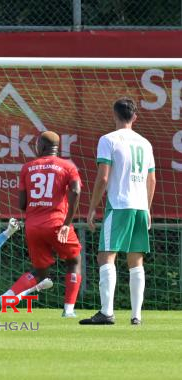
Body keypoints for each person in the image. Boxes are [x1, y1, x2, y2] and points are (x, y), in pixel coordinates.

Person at [80, 98, 156, 326]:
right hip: (141, 206)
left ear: (114, 115)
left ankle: (107, 312)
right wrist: (148, 208)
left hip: (119, 205)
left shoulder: (108, 140)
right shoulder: (145, 143)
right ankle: (136, 316)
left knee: (106, 255)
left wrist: (92, 208)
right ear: (135, 117)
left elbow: (103, 177)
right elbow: (151, 179)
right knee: (136, 260)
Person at [2, 131, 82, 318]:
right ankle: (69, 310)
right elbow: (76, 191)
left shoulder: (27, 167)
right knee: (74, 261)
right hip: (57, 223)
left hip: (33, 226)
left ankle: (4, 300)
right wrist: (66, 223)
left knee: (39, 272)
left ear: (42, 146)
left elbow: (22, 204)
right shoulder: (68, 166)